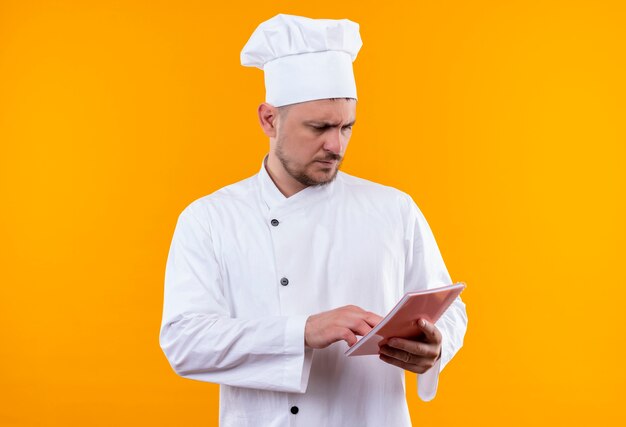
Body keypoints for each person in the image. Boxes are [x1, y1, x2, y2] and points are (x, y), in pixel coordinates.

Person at [159, 14, 468, 427]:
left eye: (347, 127)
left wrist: (437, 343)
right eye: (319, 127)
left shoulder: (394, 209)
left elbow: (449, 309)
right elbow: (185, 342)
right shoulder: (210, 219)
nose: (335, 145)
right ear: (269, 119)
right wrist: (302, 331)